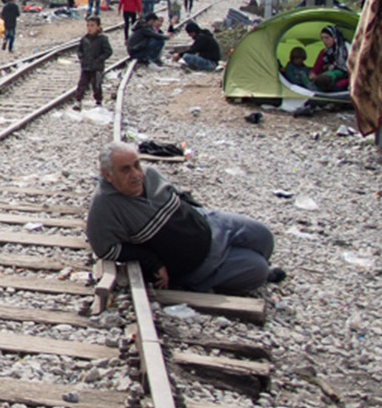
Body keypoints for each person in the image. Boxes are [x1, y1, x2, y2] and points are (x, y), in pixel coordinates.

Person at [86, 142, 284, 294]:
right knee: (257, 271)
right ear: (108, 175)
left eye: (136, 165)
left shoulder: (149, 174)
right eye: (125, 169)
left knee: (263, 235)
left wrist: (199, 214)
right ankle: (250, 272)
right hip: (198, 265)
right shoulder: (104, 206)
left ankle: (240, 257)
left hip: (211, 223)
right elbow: (106, 249)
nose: (136, 174)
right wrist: (153, 262)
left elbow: (179, 195)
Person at [74, 15, 112, 110]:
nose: (90, 28)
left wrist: (100, 59)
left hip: (97, 67)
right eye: (88, 26)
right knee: (82, 84)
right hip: (86, 66)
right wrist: (81, 56)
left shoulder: (102, 39)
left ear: (98, 27)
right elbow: (79, 50)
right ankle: (78, 101)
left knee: (97, 85)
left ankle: (98, 101)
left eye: (92, 25)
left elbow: (108, 51)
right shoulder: (84, 39)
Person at [310, 24, 350, 91]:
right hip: (326, 81)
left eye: (327, 38)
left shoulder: (346, 51)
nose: (324, 41)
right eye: (322, 38)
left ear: (334, 37)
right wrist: (312, 75)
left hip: (344, 82)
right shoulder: (324, 52)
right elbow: (316, 69)